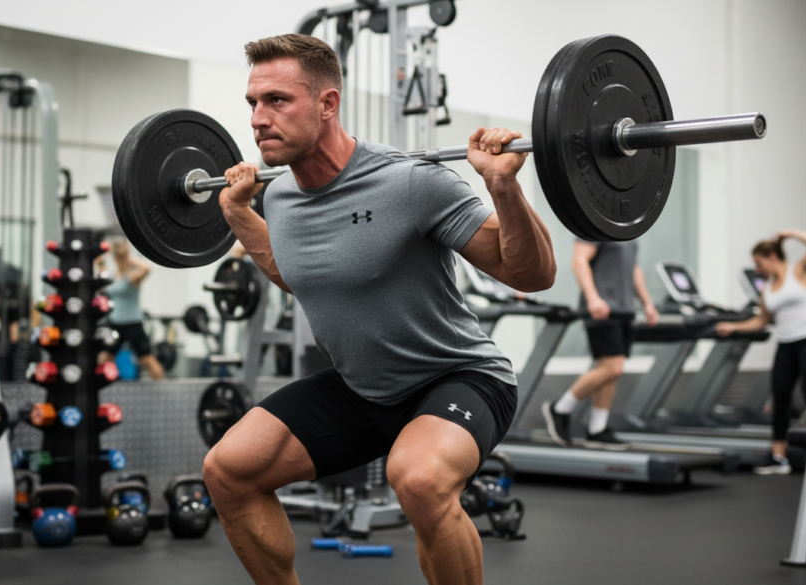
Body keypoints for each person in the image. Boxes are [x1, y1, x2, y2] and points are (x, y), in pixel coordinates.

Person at [202, 34, 556, 585]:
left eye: (276, 100)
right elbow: (296, 275)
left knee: (417, 480)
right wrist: (238, 214)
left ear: (327, 104)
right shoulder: (279, 197)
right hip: (364, 388)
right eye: (253, 103)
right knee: (229, 471)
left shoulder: (409, 182)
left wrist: (502, 187)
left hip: (457, 376)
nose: (257, 119)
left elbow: (532, 275)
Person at [716, 230, 806, 475]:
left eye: (759, 263)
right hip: (786, 343)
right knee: (780, 400)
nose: (757, 269)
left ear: (772, 256)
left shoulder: (800, 271)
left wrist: (790, 234)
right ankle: (778, 457)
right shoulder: (768, 288)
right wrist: (734, 327)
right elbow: (761, 320)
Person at [542, 240, 659, 449]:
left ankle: (597, 428)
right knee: (613, 368)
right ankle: (560, 408)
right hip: (602, 308)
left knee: (611, 371)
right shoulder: (595, 226)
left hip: (624, 309)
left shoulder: (628, 231)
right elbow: (579, 261)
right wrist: (593, 298)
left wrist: (647, 303)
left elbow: (633, 268)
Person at [97, 236, 164, 380]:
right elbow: (100, 274)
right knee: (105, 358)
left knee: (146, 359)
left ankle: (162, 389)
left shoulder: (132, 276)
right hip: (115, 323)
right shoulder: (113, 277)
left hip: (133, 323)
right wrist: (102, 260)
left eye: (120, 256)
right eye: (118, 256)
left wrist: (127, 256)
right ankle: (99, 390)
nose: (119, 259)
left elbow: (147, 268)